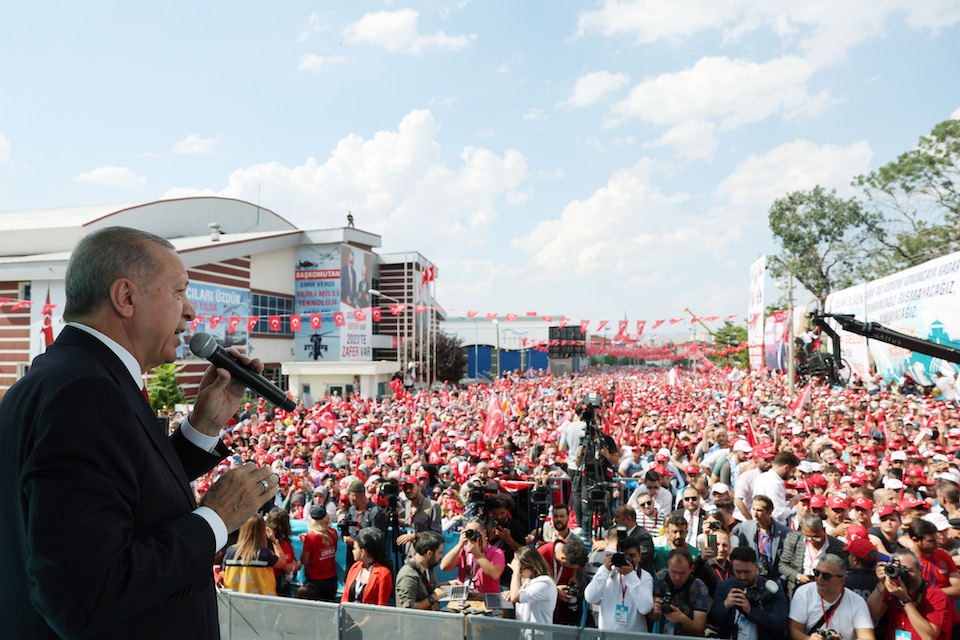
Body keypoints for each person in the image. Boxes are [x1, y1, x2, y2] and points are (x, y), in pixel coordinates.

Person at [0, 227, 278, 639]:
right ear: (125, 297)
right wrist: (215, 520)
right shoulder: (87, 393)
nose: (190, 312)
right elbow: (84, 596)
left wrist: (201, 428)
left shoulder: (58, 377)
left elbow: (122, 494)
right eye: (180, 291)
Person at [867, 549, 955, 640]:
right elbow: (873, 613)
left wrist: (905, 600)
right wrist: (882, 584)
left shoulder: (936, 595)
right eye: (899, 570)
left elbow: (929, 637)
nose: (903, 574)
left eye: (908, 570)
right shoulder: (894, 588)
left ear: (920, 570)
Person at [787, 554, 875, 640]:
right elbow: (794, 629)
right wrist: (808, 639)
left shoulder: (857, 602)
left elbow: (867, 637)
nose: (819, 578)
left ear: (842, 580)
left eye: (826, 576)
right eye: (817, 573)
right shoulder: (803, 593)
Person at [709, 546, 789, 639]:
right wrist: (726, 605)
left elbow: (781, 624)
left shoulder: (773, 588)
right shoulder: (724, 586)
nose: (742, 577)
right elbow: (713, 620)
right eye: (738, 572)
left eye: (747, 572)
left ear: (757, 568)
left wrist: (750, 610)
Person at [583, 536, 654, 632]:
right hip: (607, 635)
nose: (629, 560)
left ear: (640, 556)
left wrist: (630, 575)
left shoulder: (645, 577)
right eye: (625, 556)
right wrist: (605, 570)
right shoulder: (606, 572)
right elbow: (590, 597)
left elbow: (645, 608)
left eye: (632, 556)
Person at [778, 514, 847, 600]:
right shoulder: (794, 539)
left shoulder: (837, 546)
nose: (813, 541)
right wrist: (798, 576)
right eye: (808, 537)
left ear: (823, 530)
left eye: (817, 537)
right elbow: (782, 565)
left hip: (826, 588)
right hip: (798, 586)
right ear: (803, 531)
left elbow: (845, 572)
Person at [221, 514, 291, 596]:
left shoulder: (230, 552)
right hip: (261, 601)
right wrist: (274, 541)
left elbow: (224, 574)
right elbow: (283, 562)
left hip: (234, 600)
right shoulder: (265, 554)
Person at [650, 548, 710, 636]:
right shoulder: (660, 579)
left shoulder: (699, 588)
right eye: (673, 572)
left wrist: (682, 619)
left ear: (691, 569)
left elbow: (700, 630)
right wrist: (655, 611)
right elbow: (652, 618)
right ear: (668, 565)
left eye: (682, 573)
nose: (677, 577)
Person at [734, 494, 792, 582]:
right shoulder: (745, 528)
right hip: (752, 578)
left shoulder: (785, 533)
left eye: (759, 510)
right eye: (753, 509)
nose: (755, 514)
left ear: (770, 511)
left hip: (776, 579)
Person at [439, 518, 505, 593]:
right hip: (464, 595)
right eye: (469, 532)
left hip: (486, 596)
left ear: (484, 533)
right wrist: (460, 545)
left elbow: (495, 575)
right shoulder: (463, 550)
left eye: (475, 532)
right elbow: (444, 567)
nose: (472, 535)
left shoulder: (496, 552)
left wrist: (477, 554)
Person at [504, 546, 559, 625]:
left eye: (521, 570)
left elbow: (515, 597)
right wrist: (512, 592)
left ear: (533, 567)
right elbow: (517, 594)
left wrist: (515, 572)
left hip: (538, 632)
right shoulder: (528, 582)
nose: (520, 574)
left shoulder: (545, 583)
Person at [395, 531, 448, 609]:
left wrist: (448, 583)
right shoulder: (408, 575)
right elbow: (409, 608)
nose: (441, 556)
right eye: (440, 553)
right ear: (429, 554)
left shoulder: (428, 565)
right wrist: (432, 598)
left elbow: (429, 586)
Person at [342, 527, 393, 606]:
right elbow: (345, 595)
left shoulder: (383, 574)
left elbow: (381, 605)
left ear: (363, 552)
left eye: (355, 549)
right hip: (349, 612)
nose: (353, 551)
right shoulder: (355, 567)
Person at [341, 478, 387, 564]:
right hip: (353, 557)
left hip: (368, 561)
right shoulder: (352, 510)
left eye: (348, 494)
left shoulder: (376, 512)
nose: (347, 497)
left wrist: (355, 542)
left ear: (354, 496)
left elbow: (377, 541)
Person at [300, 504, 339, 601]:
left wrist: (307, 542)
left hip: (315, 580)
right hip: (331, 579)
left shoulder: (310, 537)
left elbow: (304, 560)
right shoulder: (333, 533)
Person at [395, 474, 442, 552]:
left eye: (411, 487)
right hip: (409, 552)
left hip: (426, 553)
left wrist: (416, 536)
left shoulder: (432, 506)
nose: (408, 490)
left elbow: (437, 534)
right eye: (405, 488)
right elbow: (410, 524)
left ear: (419, 487)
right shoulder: (407, 505)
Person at [753, 451, 800, 526]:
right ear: (786, 467)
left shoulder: (762, 477)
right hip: (773, 528)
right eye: (792, 471)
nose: (791, 475)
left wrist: (784, 495)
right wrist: (793, 502)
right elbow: (779, 515)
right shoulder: (775, 483)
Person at [265, 508, 300, 597]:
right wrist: (300, 565)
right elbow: (288, 568)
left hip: (266, 583)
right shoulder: (283, 545)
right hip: (277, 586)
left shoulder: (262, 541)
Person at [693, 530, 734, 599]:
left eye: (724, 545)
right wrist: (700, 559)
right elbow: (690, 576)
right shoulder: (702, 566)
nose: (721, 549)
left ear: (730, 547)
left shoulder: (734, 568)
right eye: (717, 544)